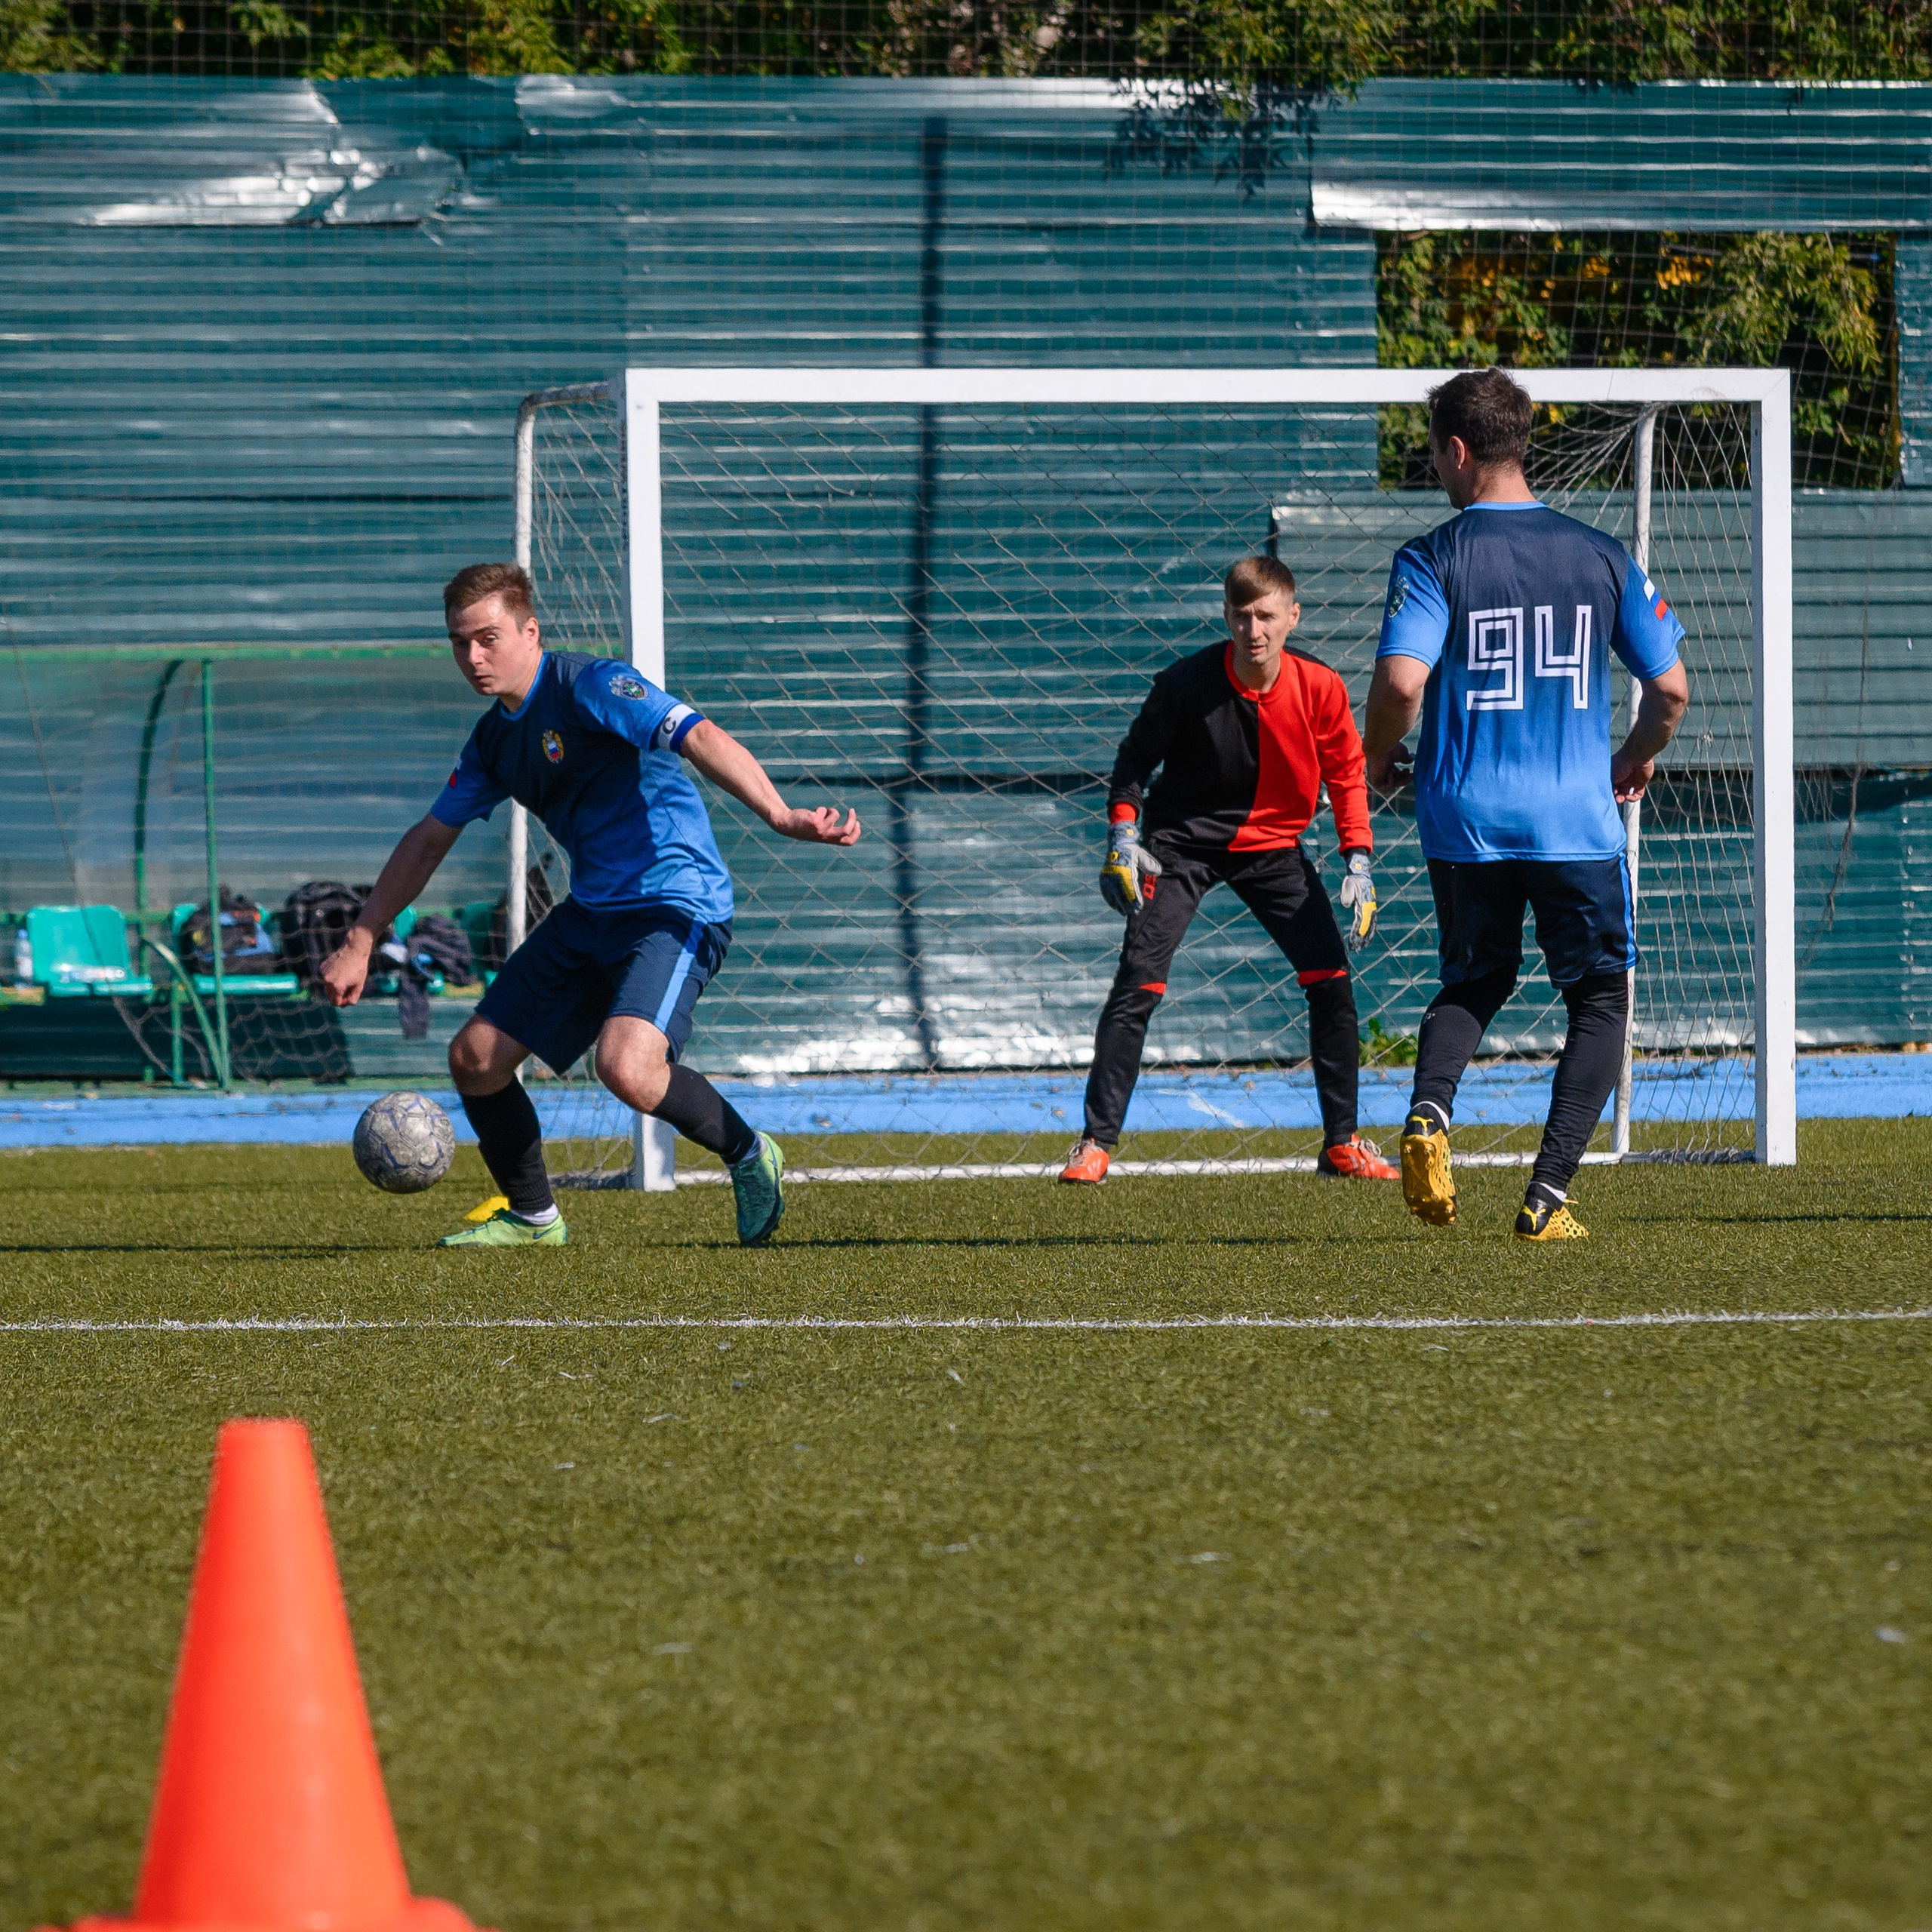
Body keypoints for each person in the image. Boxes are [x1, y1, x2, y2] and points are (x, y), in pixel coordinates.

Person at [320, 562, 861, 1247]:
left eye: (488, 638)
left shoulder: (593, 685)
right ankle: (534, 1218)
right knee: (476, 1060)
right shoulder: (493, 741)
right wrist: (363, 937)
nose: (474, 657)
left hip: (676, 903)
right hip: (593, 911)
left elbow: (697, 734)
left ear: (530, 631)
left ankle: (750, 1154)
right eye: (460, 643)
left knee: (626, 1068)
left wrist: (780, 814)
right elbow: (429, 839)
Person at [1361, 368, 1690, 1241]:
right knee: (1597, 1000)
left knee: (1474, 978)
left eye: (1435, 453)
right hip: (1573, 821)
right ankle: (1545, 1198)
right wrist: (1633, 757)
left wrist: (1376, 753)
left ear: (1459, 451)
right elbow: (1670, 690)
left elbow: (1400, 680)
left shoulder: (1433, 555)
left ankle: (1430, 1114)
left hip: (1463, 816)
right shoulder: (1600, 553)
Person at [1060, 554, 1398, 1186]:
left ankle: (1341, 1145)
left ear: (1292, 617)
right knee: (1138, 984)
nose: (1255, 630)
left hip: (1275, 850)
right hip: (1181, 844)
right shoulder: (1185, 684)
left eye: (1267, 615)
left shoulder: (1321, 687)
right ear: (1226, 618)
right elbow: (1134, 759)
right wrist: (1122, 836)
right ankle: (1094, 1145)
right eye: (1242, 617)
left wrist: (1359, 857)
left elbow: (1347, 773)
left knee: (1331, 983)